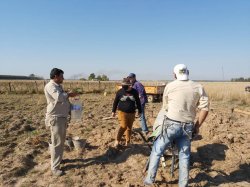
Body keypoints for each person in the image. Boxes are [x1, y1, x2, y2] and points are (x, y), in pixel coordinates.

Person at [144, 64, 209, 186]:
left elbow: (165, 107)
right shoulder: (198, 87)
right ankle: (183, 185)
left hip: (170, 125)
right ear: (187, 72)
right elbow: (205, 109)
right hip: (188, 126)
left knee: (157, 151)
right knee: (184, 156)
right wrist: (197, 126)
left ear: (174, 74)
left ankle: (149, 180)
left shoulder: (170, 86)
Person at [44, 68, 77, 176]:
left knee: (60, 141)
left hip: (61, 117)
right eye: (61, 76)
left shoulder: (58, 86)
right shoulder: (50, 86)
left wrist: (75, 107)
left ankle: (58, 160)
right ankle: (55, 168)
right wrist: (69, 94)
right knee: (57, 143)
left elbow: (64, 102)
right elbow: (59, 98)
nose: (63, 78)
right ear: (55, 76)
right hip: (55, 118)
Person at [112, 78, 142, 147]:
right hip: (122, 112)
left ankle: (128, 142)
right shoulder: (120, 92)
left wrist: (140, 111)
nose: (124, 89)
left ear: (130, 86)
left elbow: (138, 102)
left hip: (132, 113)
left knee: (129, 128)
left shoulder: (134, 92)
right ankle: (117, 140)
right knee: (123, 126)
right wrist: (113, 111)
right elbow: (115, 101)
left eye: (126, 87)